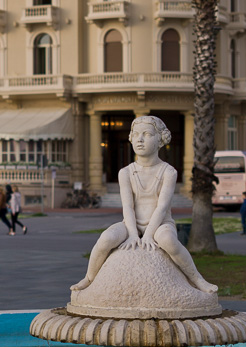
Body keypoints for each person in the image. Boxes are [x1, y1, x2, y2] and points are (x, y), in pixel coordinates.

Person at [70, 115, 217, 294]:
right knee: (106, 238)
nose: (140, 139)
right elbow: (128, 207)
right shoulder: (126, 172)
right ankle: (89, 278)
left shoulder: (168, 172)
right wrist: (132, 234)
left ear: (160, 139)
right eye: (136, 134)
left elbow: (162, 207)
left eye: (147, 134)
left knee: (168, 241)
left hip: (160, 223)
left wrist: (148, 235)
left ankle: (197, 279)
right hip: (130, 223)